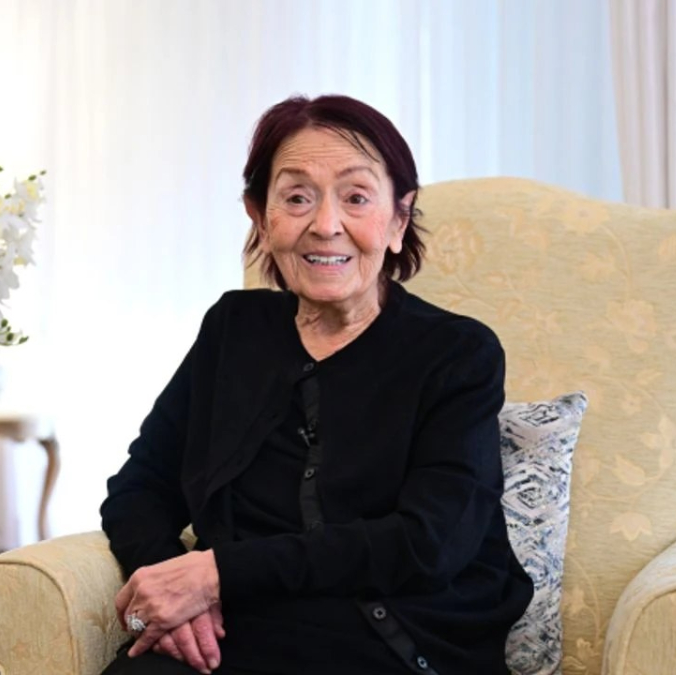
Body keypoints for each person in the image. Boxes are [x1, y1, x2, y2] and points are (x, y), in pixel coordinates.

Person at [99, 95, 534, 675]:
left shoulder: (457, 354)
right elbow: (139, 489)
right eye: (297, 197)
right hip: (235, 633)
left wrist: (217, 573)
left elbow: (430, 541)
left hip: (393, 637)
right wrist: (176, 594)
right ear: (261, 218)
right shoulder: (232, 331)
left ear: (399, 220)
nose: (326, 226)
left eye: (356, 198)